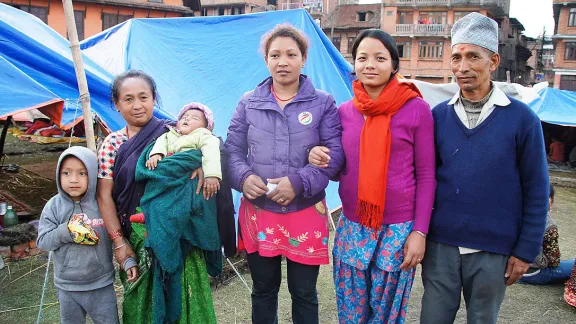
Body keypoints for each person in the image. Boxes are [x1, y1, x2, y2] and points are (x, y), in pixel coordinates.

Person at [420, 13, 549, 324]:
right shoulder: (437, 117)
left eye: (473, 57)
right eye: (456, 57)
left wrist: (525, 250)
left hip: (494, 250)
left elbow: (537, 188)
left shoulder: (521, 120)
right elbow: (424, 179)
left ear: (493, 61)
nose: (463, 67)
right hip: (441, 247)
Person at [309, 29, 436, 323]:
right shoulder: (344, 112)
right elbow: (338, 167)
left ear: (394, 65)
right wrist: (317, 155)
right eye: (362, 58)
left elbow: (428, 175)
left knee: (386, 313)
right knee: (352, 312)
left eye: (380, 58)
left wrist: (420, 232)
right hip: (353, 225)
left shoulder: (416, 109)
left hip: (398, 229)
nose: (370, 65)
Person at [225, 24, 344, 324]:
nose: (283, 61)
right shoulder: (248, 102)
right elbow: (232, 152)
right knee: (264, 289)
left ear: (304, 58)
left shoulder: (323, 102)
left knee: (303, 291)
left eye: (291, 54)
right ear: (266, 59)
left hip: (304, 210)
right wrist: (242, 177)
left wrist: (299, 182)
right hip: (259, 210)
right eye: (275, 54)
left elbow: (335, 156)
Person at [96, 70, 219, 324]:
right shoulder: (112, 144)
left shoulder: (176, 134)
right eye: (128, 99)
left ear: (154, 99)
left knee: (186, 301)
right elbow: (104, 197)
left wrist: (197, 163)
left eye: (144, 97)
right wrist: (120, 244)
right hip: (136, 234)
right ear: (117, 105)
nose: (137, 105)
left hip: (178, 231)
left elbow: (213, 147)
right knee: (141, 303)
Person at [37, 146, 135, 324]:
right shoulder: (54, 206)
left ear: (93, 173)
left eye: (82, 173)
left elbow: (117, 234)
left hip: (101, 285)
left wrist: (128, 261)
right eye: (67, 173)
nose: (73, 180)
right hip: (68, 287)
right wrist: (66, 231)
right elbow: (43, 242)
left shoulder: (103, 206)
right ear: (59, 174)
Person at [146, 102, 221, 197]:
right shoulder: (170, 134)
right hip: (167, 174)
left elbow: (211, 153)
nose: (187, 119)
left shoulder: (204, 136)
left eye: (195, 118)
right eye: (184, 117)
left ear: (206, 127)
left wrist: (211, 174)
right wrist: (156, 154)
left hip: (186, 176)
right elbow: (160, 143)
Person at [520, 185, 575, 285]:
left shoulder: (512, 215)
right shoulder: (549, 225)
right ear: (550, 201)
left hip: (507, 268)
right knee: (573, 265)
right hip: (531, 273)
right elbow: (553, 261)